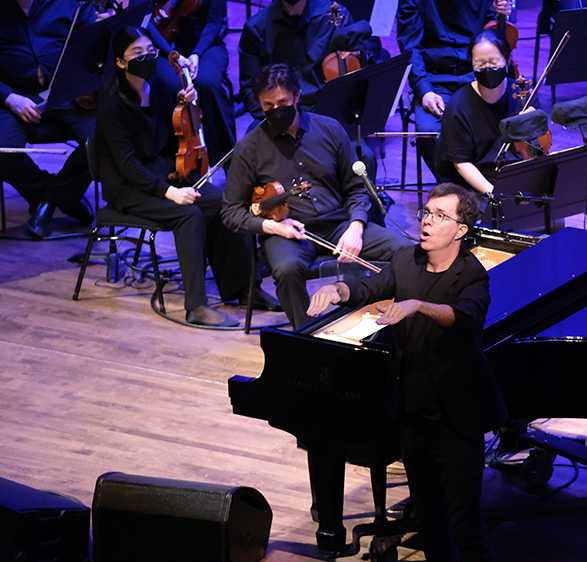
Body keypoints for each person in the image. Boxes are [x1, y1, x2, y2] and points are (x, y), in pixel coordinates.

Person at [306, 183, 510, 562]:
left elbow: (464, 320)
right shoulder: (405, 260)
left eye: (439, 216)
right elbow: (370, 286)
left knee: (467, 529)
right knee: (430, 522)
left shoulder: (472, 275)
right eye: (426, 212)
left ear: (460, 229)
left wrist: (417, 306)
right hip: (413, 416)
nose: (426, 220)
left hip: (456, 421)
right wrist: (337, 290)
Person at [221, 64, 407, 329]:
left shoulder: (330, 129)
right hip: (287, 233)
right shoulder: (249, 148)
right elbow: (230, 211)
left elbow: (356, 187)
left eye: (283, 102)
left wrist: (356, 226)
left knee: (405, 251)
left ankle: (389, 319)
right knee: (286, 270)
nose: (276, 110)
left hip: (340, 224)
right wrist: (273, 225)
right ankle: (306, 333)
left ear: (297, 96)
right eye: (268, 105)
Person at [96, 26, 257, 327]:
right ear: (120, 62)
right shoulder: (112, 107)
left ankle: (244, 289)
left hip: (163, 175)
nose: (146, 58)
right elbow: (128, 165)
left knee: (223, 201)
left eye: (149, 52)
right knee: (189, 215)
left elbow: (174, 139)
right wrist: (170, 193)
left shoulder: (156, 89)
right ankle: (196, 305)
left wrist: (185, 106)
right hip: (129, 188)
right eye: (137, 54)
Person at [1, 0, 101, 239]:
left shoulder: (72, 4)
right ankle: (51, 195)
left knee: (102, 137)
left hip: (66, 93)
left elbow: (92, 52)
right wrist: (9, 97)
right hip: (14, 96)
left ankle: (50, 201)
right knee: (2, 152)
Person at [397, 0, 512, 176]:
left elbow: (494, 36)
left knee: (506, 123)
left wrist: (501, 14)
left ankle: (489, 184)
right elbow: (411, 48)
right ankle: (453, 191)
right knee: (428, 132)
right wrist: (425, 90)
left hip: (478, 72)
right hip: (435, 80)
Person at [238, 0, 379, 121]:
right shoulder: (256, 28)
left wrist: (358, 54)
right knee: (250, 150)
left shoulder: (336, 15)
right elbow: (250, 89)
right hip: (278, 115)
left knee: (364, 154)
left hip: (325, 113)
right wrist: (274, 120)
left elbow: (362, 72)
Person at [146, 0, 237, 166]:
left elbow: (215, 21)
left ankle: (229, 163)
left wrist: (197, 53)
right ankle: (178, 164)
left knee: (208, 83)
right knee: (173, 87)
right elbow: (145, 20)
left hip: (205, 45)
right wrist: (171, 53)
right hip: (161, 48)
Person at [435, 29, 522, 194]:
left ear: (508, 59)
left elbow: (536, 151)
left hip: (519, 178)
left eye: (494, 62)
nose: (488, 68)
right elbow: (462, 163)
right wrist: (495, 193)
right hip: (478, 188)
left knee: (555, 220)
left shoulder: (524, 94)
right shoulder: (458, 106)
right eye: (480, 64)